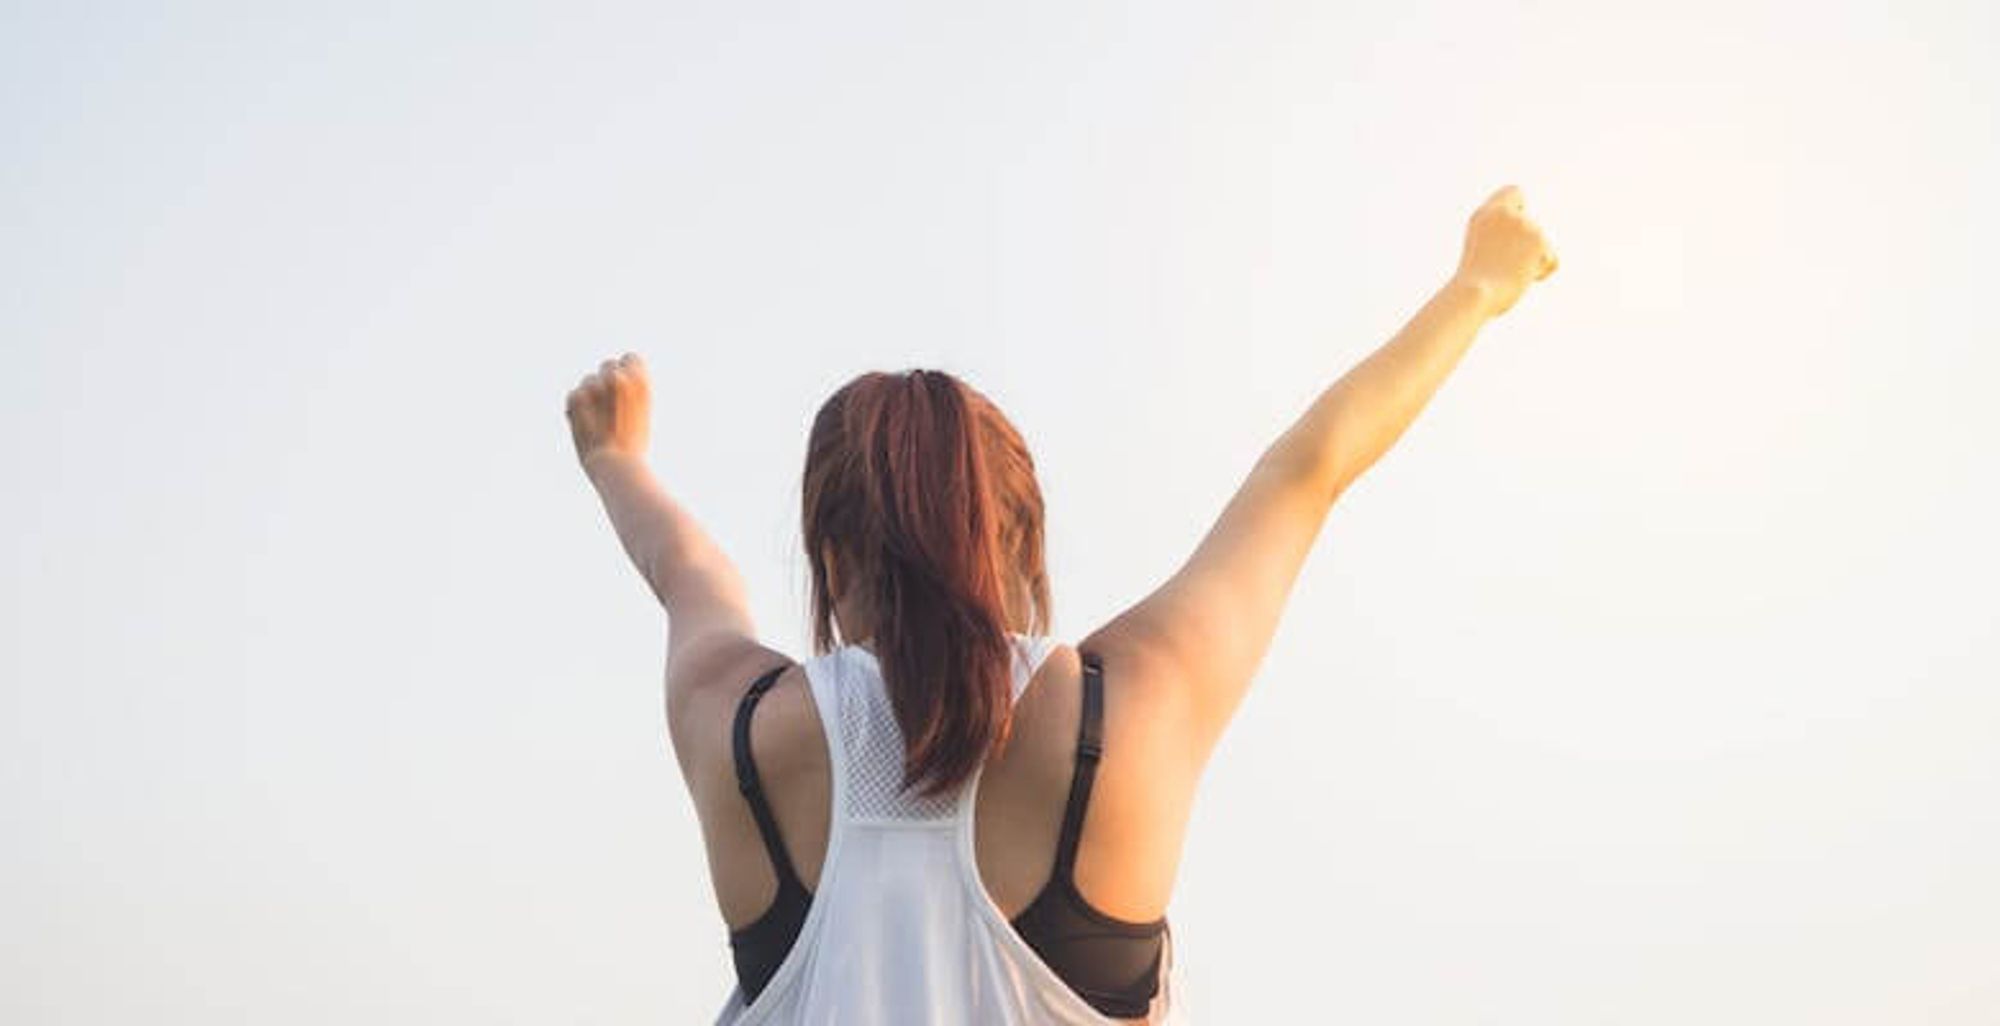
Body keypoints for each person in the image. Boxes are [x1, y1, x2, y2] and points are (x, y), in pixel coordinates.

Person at [564, 184, 1558, 1024]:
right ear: (1021, 541)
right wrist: (1475, 290)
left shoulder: (740, 734)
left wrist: (615, 459)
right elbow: (1302, 475)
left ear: (825, 553)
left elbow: (687, 571)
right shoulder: (1122, 714)